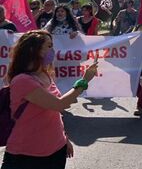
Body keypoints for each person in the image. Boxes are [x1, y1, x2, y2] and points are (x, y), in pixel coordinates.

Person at [1, 30, 98, 169]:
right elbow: (60, 104)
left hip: (56, 150)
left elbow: (55, 114)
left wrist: (65, 139)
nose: (53, 50)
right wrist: (84, 80)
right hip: (26, 155)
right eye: (49, 46)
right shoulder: (22, 80)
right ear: (33, 49)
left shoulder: (45, 74)